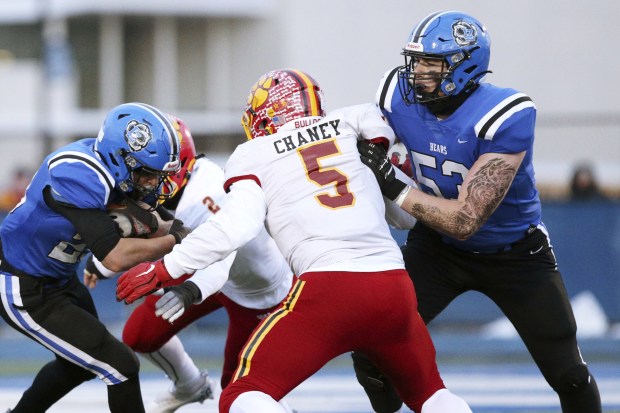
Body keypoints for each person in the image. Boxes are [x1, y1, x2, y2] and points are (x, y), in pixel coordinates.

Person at [115, 68, 473, 413]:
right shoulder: (352, 127)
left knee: (242, 393)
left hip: (327, 289)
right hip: (393, 286)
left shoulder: (254, 153)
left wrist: (167, 268)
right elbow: (406, 217)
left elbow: (237, 225)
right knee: (432, 395)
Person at [354, 10, 602, 413]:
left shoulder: (505, 114)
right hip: (436, 247)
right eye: (416, 63)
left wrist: (393, 184)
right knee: (372, 349)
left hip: (515, 253)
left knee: (568, 374)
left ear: (464, 67)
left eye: (430, 64)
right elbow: (358, 132)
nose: (417, 74)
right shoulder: (395, 95)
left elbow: (465, 220)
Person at [85, 115, 297, 413]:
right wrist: (101, 265)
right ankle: (189, 384)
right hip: (201, 267)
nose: (146, 180)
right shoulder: (163, 190)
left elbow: (224, 251)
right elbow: (144, 232)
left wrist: (191, 289)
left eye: (153, 170)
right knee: (140, 335)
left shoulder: (209, 190)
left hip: (253, 289)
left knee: (240, 391)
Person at [0, 102, 191, 413]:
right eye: (146, 174)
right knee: (121, 366)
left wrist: (185, 231)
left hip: (58, 279)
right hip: (23, 287)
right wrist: (175, 239)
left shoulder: (110, 168)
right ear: (121, 158)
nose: (151, 183)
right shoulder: (76, 173)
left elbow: (154, 220)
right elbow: (115, 256)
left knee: (79, 365)